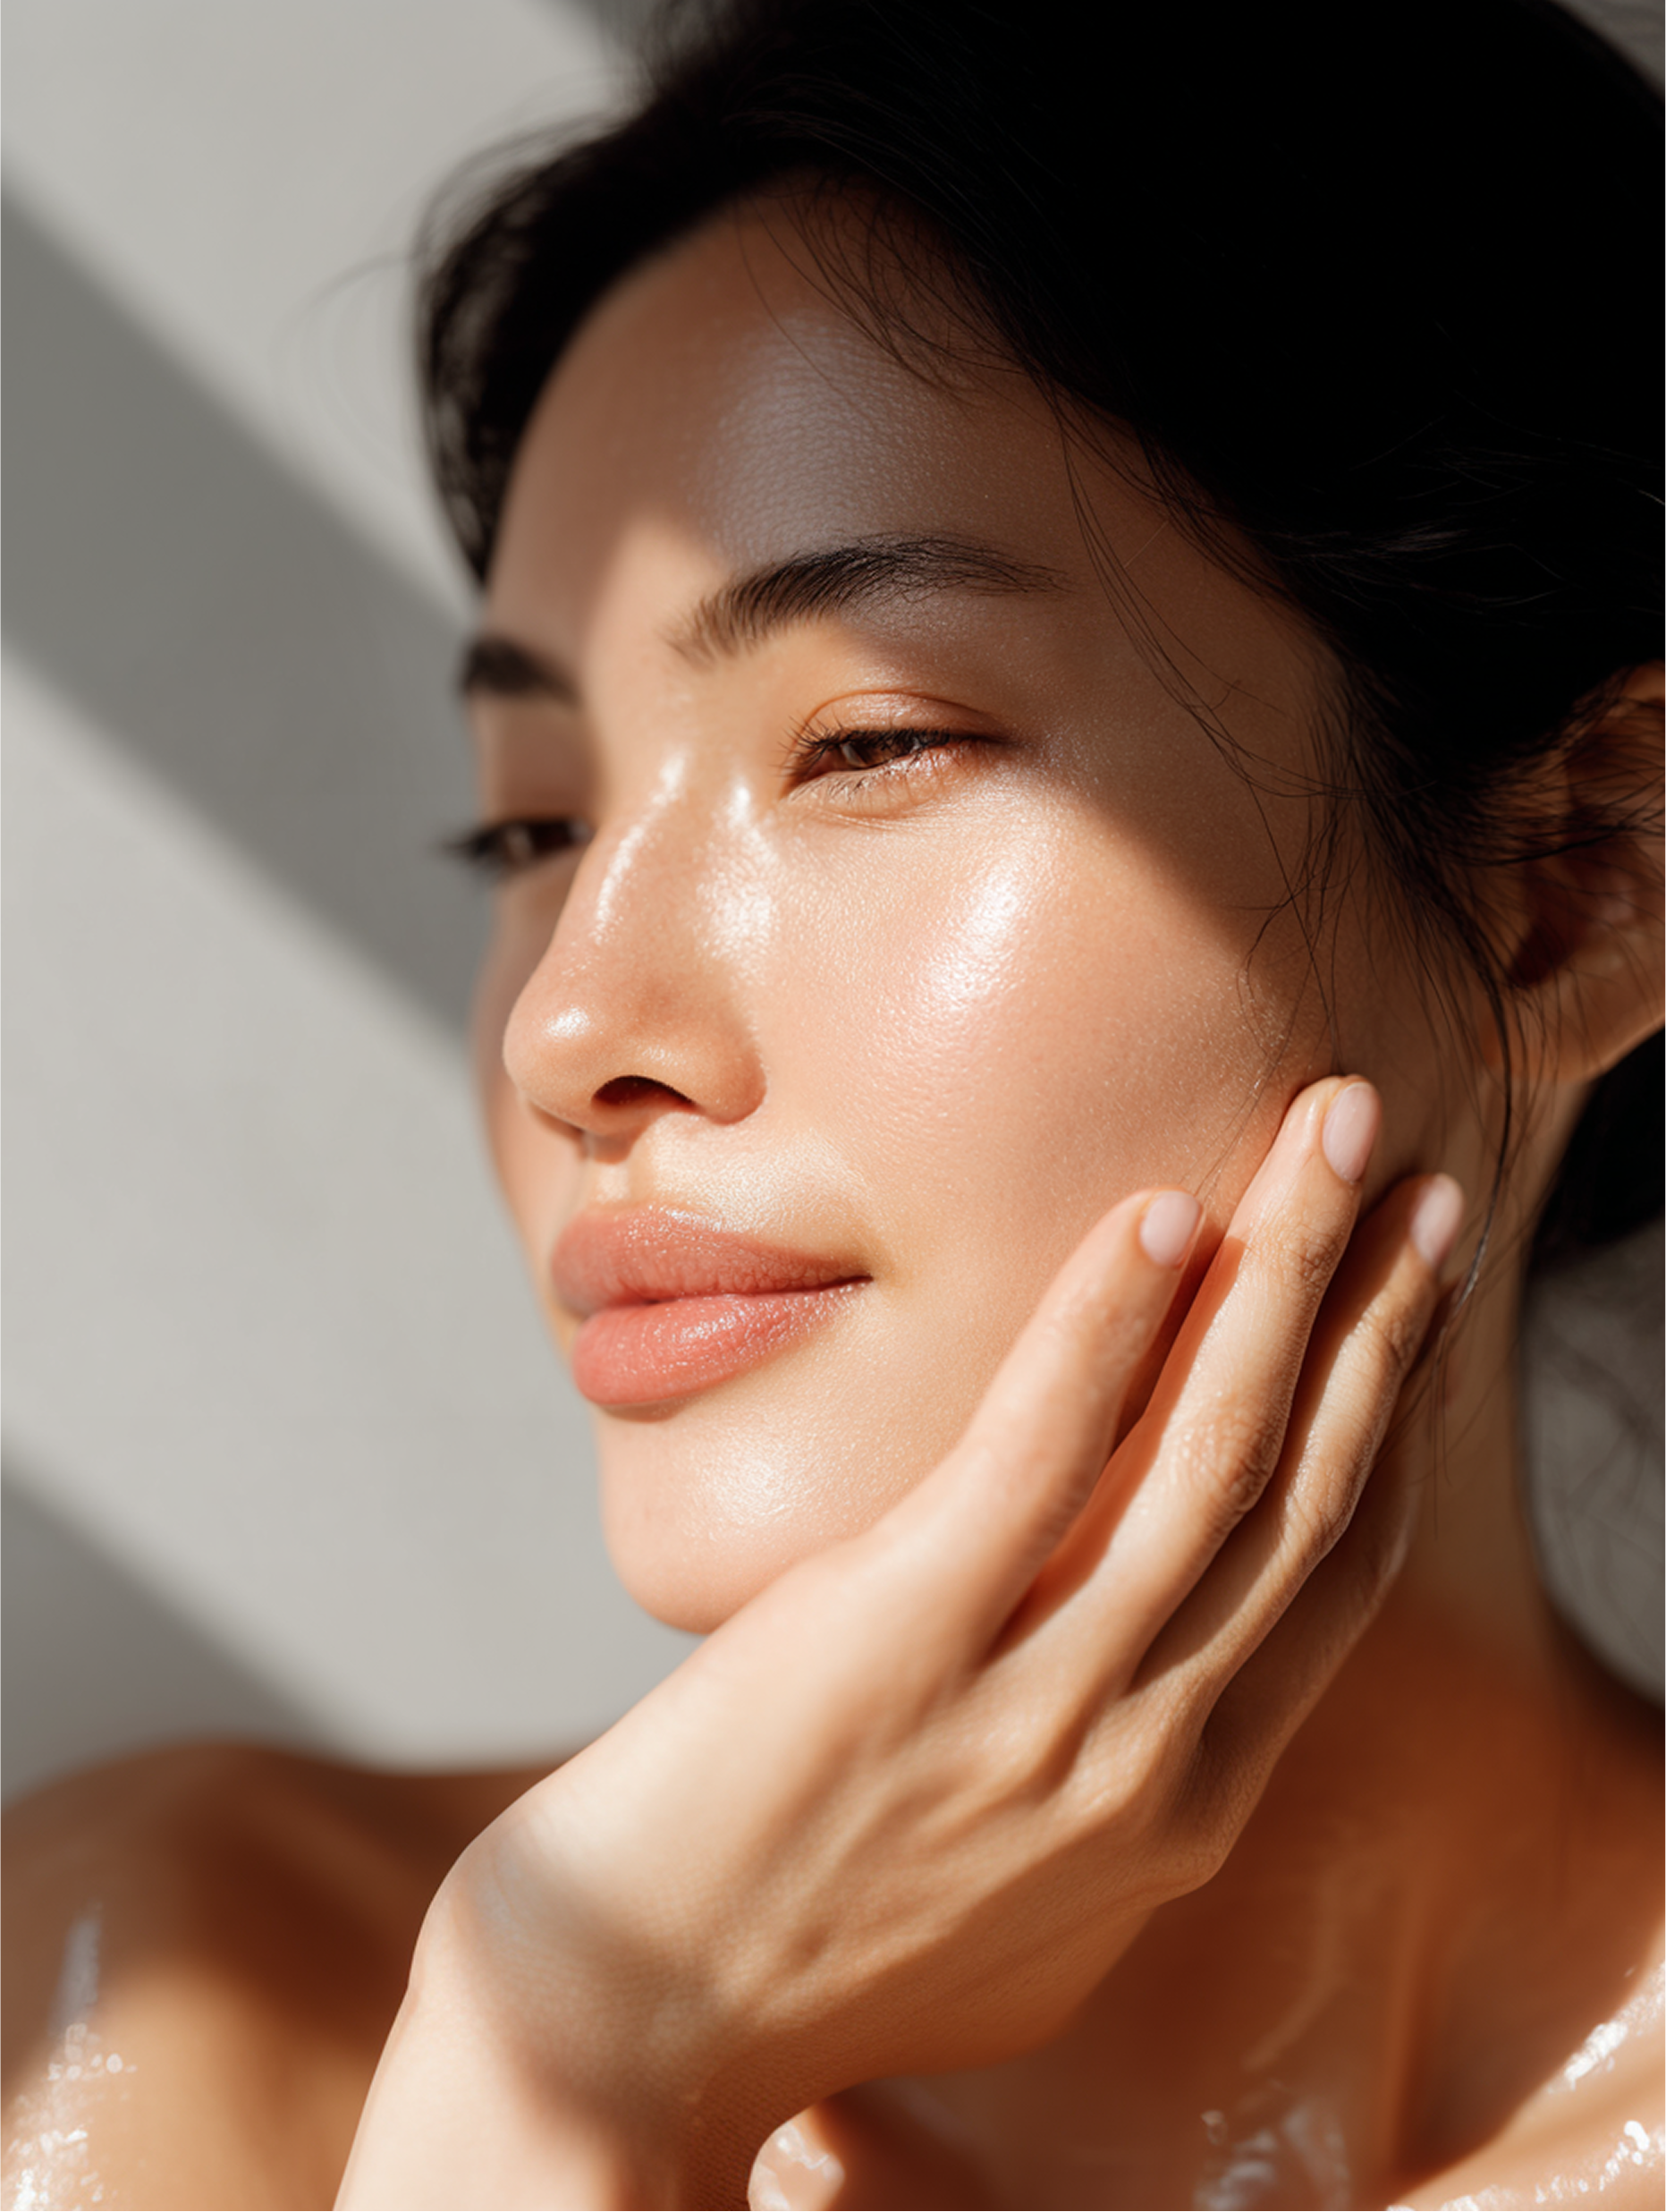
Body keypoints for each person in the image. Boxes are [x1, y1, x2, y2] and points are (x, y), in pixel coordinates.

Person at [6, 0, 1666, 2204]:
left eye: (869, 746)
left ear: (1585, 869)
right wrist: (567, 2063)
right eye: (529, 828)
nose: (564, 1023)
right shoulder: (185, 2016)